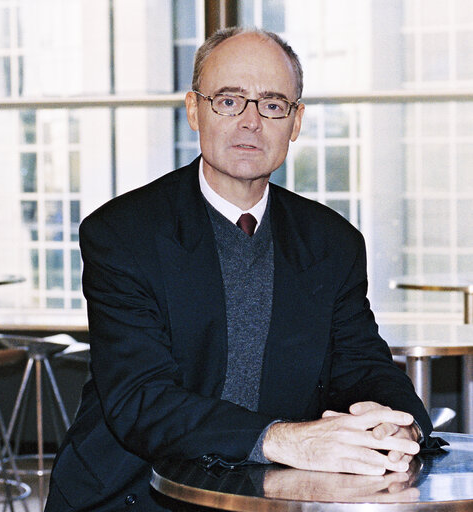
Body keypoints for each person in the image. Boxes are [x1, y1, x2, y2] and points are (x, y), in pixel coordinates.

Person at [44, 27, 439, 512]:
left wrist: (397, 422)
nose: (251, 121)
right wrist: (284, 439)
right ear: (194, 110)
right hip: (134, 491)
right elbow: (141, 400)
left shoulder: (333, 242)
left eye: (273, 104)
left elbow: (362, 364)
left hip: (273, 494)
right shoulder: (122, 234)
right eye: (230, 101)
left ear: (295, 123)